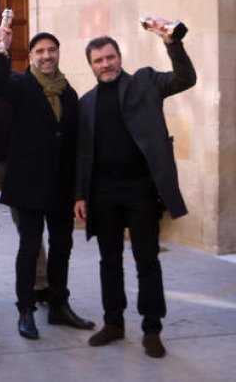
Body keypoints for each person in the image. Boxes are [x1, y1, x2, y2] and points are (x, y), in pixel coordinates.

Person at [74, 24, 196, 357]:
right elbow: (83, 153)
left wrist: (173, 44)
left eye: (110, 57)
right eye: (98, 60)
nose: (106, 64)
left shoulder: (145, 82)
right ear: (91, 65)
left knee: (147, 261)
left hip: (141, 190)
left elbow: (185, 79)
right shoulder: (87, 103)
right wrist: (80, 195)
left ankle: (152, 329)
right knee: (109, 261)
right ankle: (113, 323)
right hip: (102, 193)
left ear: (119, 57)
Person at [0, 29, 96, 339]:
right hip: (29, 182)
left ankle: (59, 305)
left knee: (63, 247)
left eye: (52, 50)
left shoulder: (68, 92)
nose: (47, 56)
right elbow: (0, 82)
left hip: (61, 184)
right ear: (31, 56)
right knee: (29, 247)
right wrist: (0, 50)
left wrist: (79, 191)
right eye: (40, 51)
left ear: (58, 53)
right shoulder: (21, 84)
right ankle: (26, 311)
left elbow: (73, 142)